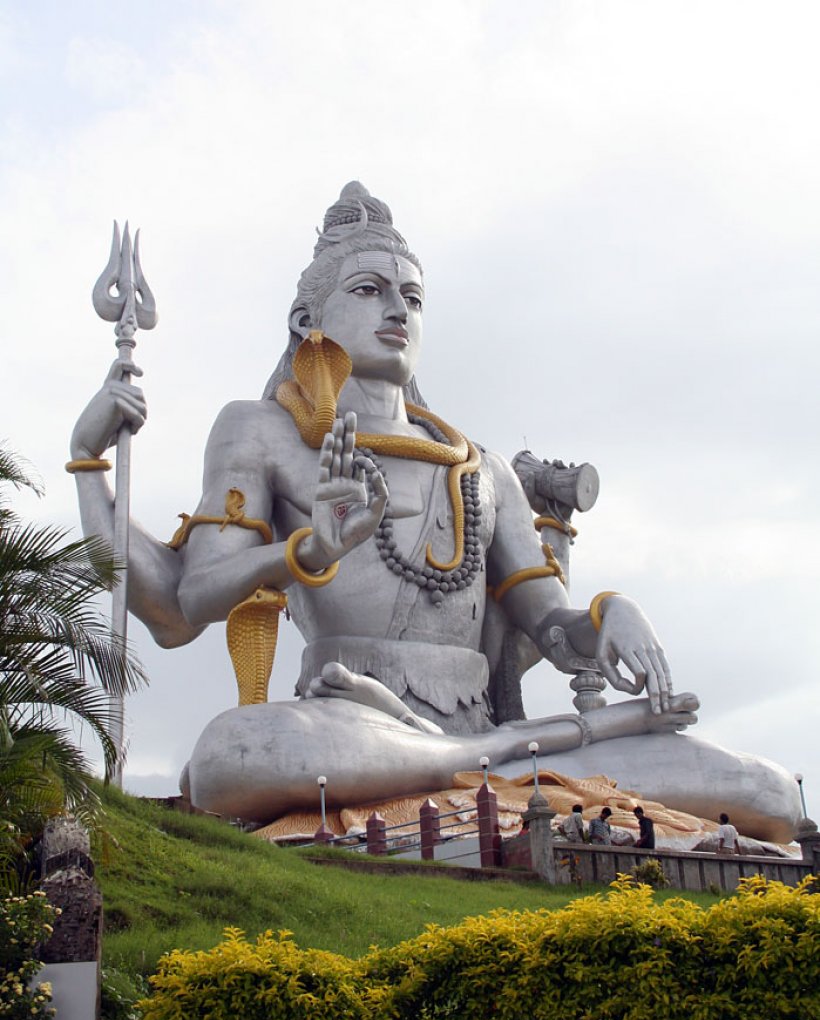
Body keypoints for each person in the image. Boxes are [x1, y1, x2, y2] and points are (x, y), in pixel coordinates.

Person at [70, 183, 794, 827]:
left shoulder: (480, 468)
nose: (395, 310)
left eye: (411, 298)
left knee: (763, 793)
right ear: (305, 320)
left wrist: (610, 614)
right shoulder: (263, 433)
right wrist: (90, 463)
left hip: (464, 731)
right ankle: (504, 762)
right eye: (368, 290)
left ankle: (489, 757)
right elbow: (178, 605)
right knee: (237, 750)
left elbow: (554, 633)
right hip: (349, 724)